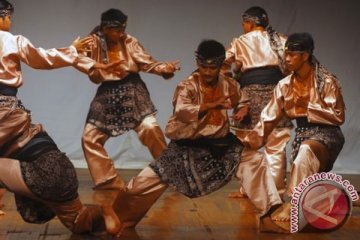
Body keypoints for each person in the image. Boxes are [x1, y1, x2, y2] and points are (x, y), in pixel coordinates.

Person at [103, 39, 289, 236]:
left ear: (220, 65)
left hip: (219, 145)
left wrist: (242, 109)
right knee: (145, 181)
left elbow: (241, 98)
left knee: (254, 160)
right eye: (204, 67)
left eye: (213, 67)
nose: (208, 72)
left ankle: (266, 218)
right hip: (186, 147)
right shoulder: (187, 86)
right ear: (197, 63)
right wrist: (211, 105)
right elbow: (182, 111)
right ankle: (116, 217)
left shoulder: (229, 85)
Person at [0, 0, 119, 235]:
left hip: (10, 117)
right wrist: (72, 50)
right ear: (2, 17)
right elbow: (43, 58)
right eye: (9, 18)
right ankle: (106, 216)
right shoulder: (12, 40)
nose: (10, 22)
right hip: (10, 114)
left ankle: (106, 216)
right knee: (76, 218)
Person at [243, 32, 345, 221]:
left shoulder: (326, 81)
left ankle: (292, 204)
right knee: (304, 164)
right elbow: (269, 117)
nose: (286, 59)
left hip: (327, 134)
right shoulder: (284, 85)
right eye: (286, 54)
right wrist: (252, 139)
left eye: (291, 55)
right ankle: (341, 196)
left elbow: (338, 116)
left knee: (305, 154)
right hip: (302, 134)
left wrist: (307, 108)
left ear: (305, 56)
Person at [79, 8, 180, 190]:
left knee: (150, 129)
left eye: (122, 29)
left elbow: (147, 62)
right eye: (116, 30)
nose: (121, 34)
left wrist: (164, 68)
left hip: (133, 90)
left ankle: (170, 173)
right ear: (104, 28)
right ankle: (107, 179)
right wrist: (103, 69)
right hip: (107, 94)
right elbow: (87, 69)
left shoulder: (129, 41)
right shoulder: (92, 43)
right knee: (90, 137)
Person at [222, 6, 293, 198]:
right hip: (277, 94)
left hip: (250, 96)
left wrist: (231, 83)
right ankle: (276, 193)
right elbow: (291, 68)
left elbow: (223, 64)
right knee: (276, 147)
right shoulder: (282, 40)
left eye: (244, 23)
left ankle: (248, 189)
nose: (243, 27)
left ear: (250, 23)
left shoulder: (241, 41)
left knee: (246, 147)